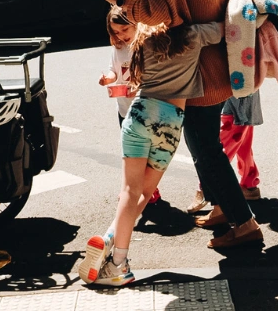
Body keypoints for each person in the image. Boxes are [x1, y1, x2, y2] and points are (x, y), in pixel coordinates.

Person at [102, 0, 262, 250]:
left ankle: (244, 223)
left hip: (198, 71)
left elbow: (155, 12)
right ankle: (223, 207)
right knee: (201, 140)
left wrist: (120, 2)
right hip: (222, 62)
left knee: (206, 145)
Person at [79, 20, 225, 286]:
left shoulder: (143, 35)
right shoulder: (195, 34)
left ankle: (114, 250)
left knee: (129, 192)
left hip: (138, 114)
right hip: (169, 121)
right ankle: (115, 257)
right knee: (145, 193)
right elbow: (226, 28)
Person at [99, 7, 162, 205]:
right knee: (130, 152)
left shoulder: (145, 45)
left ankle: (148, 189)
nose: (121, 35)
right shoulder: (118, 48)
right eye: (116, 32)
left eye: (124, 29)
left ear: (136, 24)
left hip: (145, 107)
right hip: (124, 108)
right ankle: (133, 189)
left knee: (146, 153)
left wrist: (138, 89)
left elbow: (155, 77)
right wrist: (107, 79)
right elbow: (114, 71)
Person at [188, 91, 264, 213]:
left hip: (236, 91)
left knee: (225, 144)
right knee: (243, 143)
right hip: (246, 90)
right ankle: (249, 183)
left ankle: (207, 187)